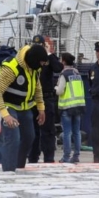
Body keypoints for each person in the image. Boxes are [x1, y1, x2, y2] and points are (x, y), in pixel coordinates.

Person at [0, 44, 48, 172]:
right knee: (13, 138)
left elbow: (37, 88)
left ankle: (19, 166)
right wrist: (5, 115)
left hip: (24, 107)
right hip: (8, 106)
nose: (41, 67)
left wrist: (41, 108)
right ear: (34, 60)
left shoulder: (34, 68)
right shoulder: (12, 68)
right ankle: (9, 170)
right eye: (40, 63)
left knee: (29, 136)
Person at [28, 35, 63, 163]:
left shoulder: (49, 59)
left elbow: (58, 68)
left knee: (48, 130)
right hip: (32, 99)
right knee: (33, 131)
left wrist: (49, 54)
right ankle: (32, 157)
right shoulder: (30, 59)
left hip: (46, 98)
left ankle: (49, 158)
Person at [55, 52, 86, 163]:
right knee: (77, 132)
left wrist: (55, 87)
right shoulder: (77, 73)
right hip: (78, 106)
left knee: (67, 133)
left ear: (63, 61)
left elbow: (60, 91)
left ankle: (66, 157)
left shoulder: (64, 75)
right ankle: (76, 156)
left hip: (67, 107)